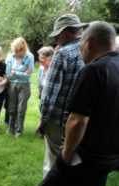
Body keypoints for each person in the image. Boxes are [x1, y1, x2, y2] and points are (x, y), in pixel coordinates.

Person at [28, 21, 119, 186]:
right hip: (107, 159)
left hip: (83, 159)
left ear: (90, 43)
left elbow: (77, 121)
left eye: (81, 46)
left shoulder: (94, 70)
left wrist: (66, 156)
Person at [38, 14, 87, 177]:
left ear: (66, 32)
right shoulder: (88, 50)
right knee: (72, 158)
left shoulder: (63, 54)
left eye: (57, 35)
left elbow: (50, 93)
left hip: (58, 120)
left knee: (52, 161)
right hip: (80, 120)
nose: (56, 39)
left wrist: (43, 120)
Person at [5, 37, 34, 137]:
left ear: (23, 49)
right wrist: (20, 73)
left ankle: (19, 130)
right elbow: (8, 73)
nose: (16, 53)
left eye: (18, 51)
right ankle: (10, 128)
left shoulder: (30, 56)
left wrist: (15, 72)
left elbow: (28, 75)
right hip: (12, 84)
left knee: (21, 108)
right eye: (15, 51)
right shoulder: (10, 56)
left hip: (24, 85)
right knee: (12, 108)